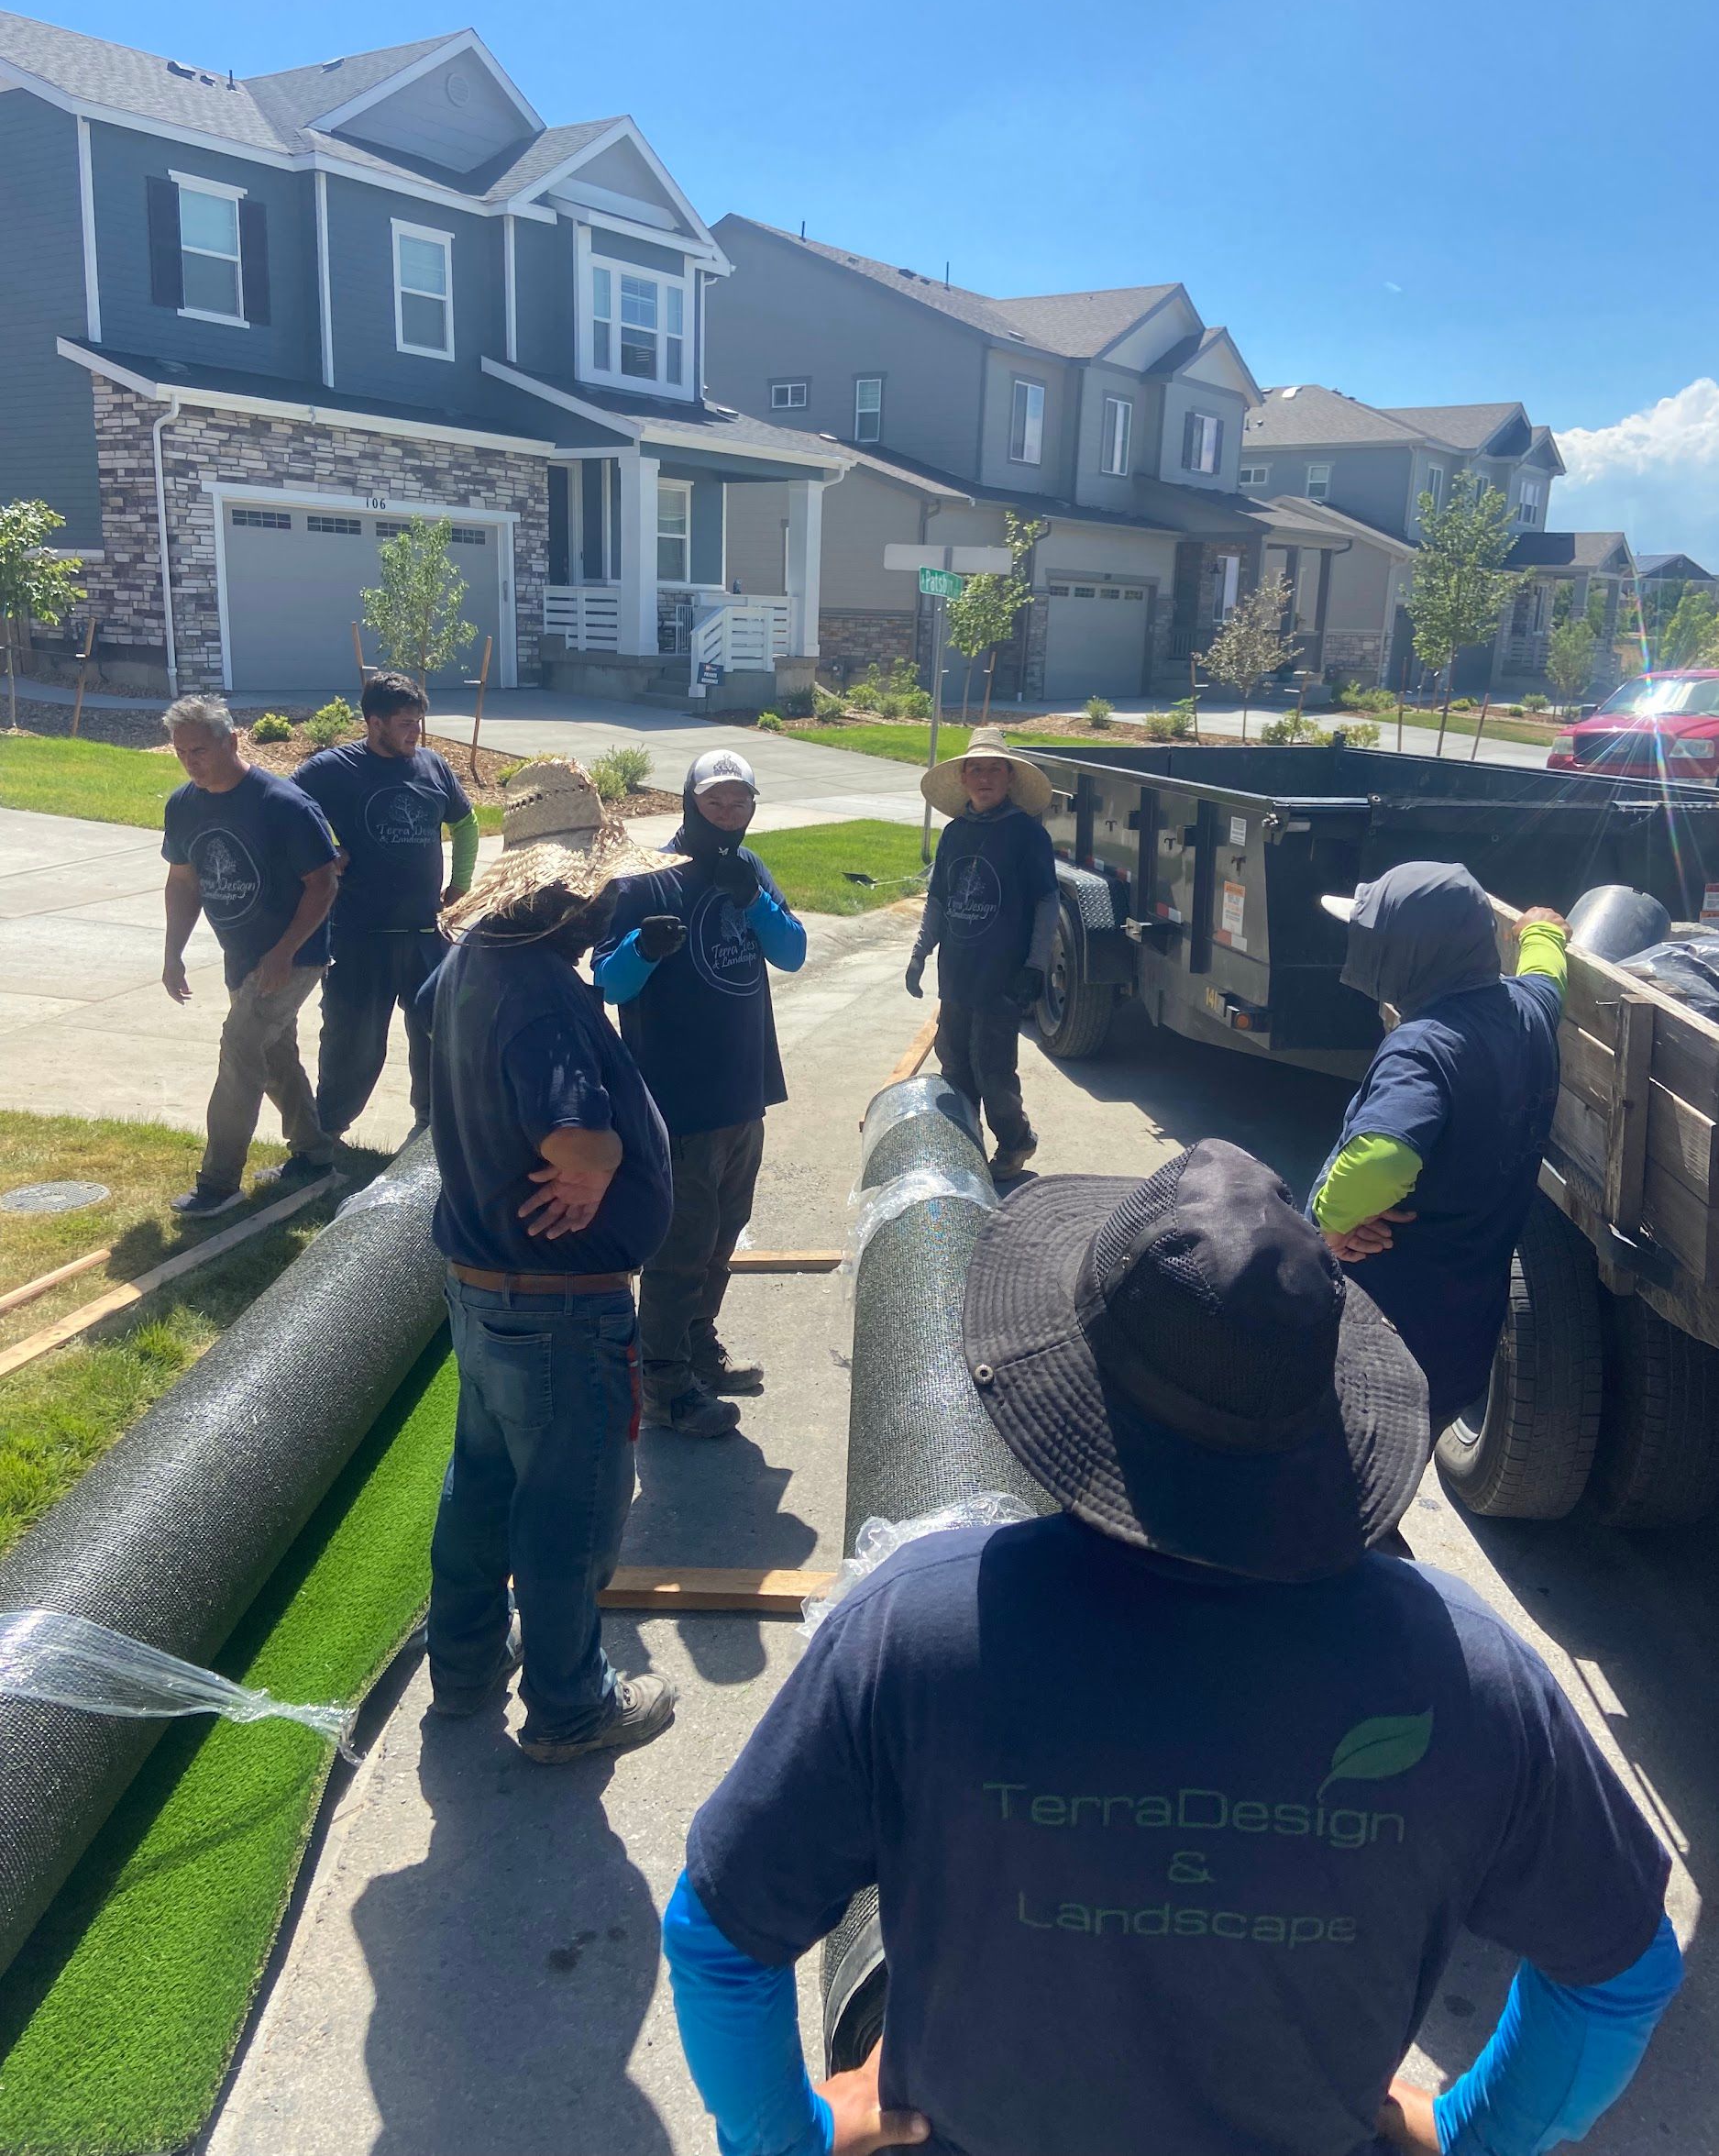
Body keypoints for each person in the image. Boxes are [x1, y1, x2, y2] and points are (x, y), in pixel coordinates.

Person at [662, 1139, 1680, 2156]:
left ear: (1071, 1378)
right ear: (1323, 1408)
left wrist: (788, 2137)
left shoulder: (910, 1636)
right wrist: (1468, 2131)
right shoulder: (1471, 1675)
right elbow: (1619, 1976)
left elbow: (716, 1936)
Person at [420, 816, 689, 1763]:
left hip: (484, 1285)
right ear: (568, 896)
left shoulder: (470, 966)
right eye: (602, 887)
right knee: (568, 1508)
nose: (611, 902)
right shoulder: (539, 995)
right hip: (557, 1306)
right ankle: (572, 1703)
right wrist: (609, 1151)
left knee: (482, 1484)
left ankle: (461, 1667)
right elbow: (574, 1142)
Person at [593, 750, 806, 1438]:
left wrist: (752, 897)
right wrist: (643, 951)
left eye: (739, 802)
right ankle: (663, 1385)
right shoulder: (646, 879)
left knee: (720, 1238)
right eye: (715, 802)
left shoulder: (750, 871)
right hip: (676, 1099)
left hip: (744, 1090)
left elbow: (792, 951)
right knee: (679, 1248)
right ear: (689, 802)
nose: (728, 814)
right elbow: (608, 983)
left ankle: (696, 1347)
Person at [1312, 863, 1570, 1430]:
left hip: (1382, 1342)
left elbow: (1382, 1157)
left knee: (1344, 1494)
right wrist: (1543, 932)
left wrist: (1331, 1228)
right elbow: (1548, 977)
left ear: (1411, 955)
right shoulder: (1527, 1012)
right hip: (1463, 1338)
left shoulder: (1422, 1050)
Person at [160, 694, 340, 1216]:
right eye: (181, 752)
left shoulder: (283, 805)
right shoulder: (184, 805)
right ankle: (313, 1154)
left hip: (295, 956)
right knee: (275, 1053)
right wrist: (173, 953)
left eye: (199, 749)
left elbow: (323, 884)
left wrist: (284, 952)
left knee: (239, 1051)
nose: (190, 761)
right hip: (240, 956)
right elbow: (182, 880)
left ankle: (219, 1182)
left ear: (232, 740)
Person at [294, 670, 479, 1141]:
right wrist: (328, 852)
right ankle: (325, 1135)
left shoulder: (433, 766)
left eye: (418, 722)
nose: (414, 733)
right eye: (404, 724)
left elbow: (466, 824)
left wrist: (459, 885)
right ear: (374, 722)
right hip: (359, 938)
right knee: (350, 1043)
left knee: (437, 1041)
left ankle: (432, 1133)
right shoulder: (332, 769)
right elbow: (283, 813)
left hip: (425, 936)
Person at [906, 726, 1058, 1178]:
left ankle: (1016, 1142)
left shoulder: (1027, 836)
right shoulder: (954, 834)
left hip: (1003, 978)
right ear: (964, 779)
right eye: (976, 769)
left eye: (995, 769)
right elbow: (937, 898)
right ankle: (965, 1145)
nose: (985, 777)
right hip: (956, 975)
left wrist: (1034, 966)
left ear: (1009, 778)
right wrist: (919, 954)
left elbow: (1046, 903)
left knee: (994, 1071)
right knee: (954, 1065)